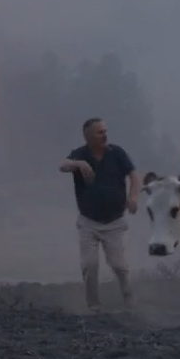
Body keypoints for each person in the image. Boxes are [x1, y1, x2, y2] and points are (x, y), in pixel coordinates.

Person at [58, 118, 140, 312]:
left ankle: (129, 299)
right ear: (88, 136)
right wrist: (79, 164)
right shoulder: (81, 154)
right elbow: (62, 165)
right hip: (88, 222)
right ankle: (94, 305)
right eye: (99, 132)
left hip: (114, 221)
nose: (105, 135)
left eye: (105, 131)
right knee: (89, 264)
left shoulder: (117, 153)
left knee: (119, 265)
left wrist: (133, 197)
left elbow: (134, 176)